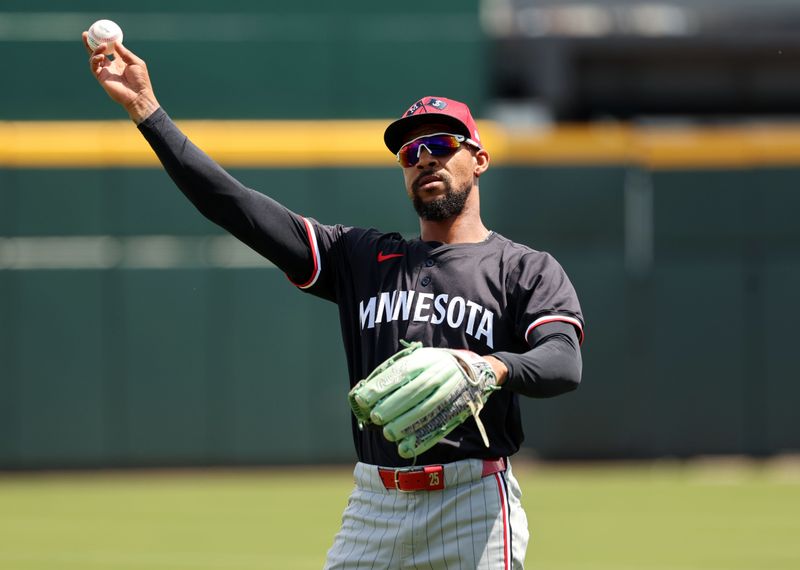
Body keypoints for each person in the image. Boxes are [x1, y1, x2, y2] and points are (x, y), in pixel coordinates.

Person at [84, 34, 585, 569]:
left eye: (439, 145)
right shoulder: (359, 258)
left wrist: (490, 368)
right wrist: (146, 110)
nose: (424, 160)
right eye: (409, 153)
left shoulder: (524, 268)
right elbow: (233, 206)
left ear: (479, 158)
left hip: (474, 502)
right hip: (375, 503)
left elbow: (563, 360)